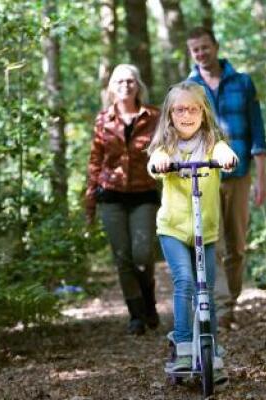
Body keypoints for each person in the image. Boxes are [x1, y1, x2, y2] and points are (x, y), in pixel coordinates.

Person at [147, 81, 237, 383]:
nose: (186, 114)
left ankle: (211, 346)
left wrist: (227, 157)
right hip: (173, 229)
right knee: (185, 282)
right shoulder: (166, 146)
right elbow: (154, 161)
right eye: (180, 109)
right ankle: (184, 344)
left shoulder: (213, 143)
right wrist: (160, 163)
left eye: (193, 108)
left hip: (206, 232)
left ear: (203, 112)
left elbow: (225, 152)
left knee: (207, 289)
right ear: (170, 114)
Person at [186, 27, 266, 330]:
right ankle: (221, 309)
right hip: (204, 177)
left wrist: (262, 178)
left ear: (216, 46)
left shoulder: (242, 82)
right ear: (191, 53)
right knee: (212, 243)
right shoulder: (189, 88)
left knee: (237, 246)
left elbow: (258, 132)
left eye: (205, 47)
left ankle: (229, 303)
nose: (201, 53)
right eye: (195, 49)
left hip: (240, 173)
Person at [85, 64, 161, 335]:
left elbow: (167, 150)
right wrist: (90, 201)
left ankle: (149, 301)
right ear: (111, 88)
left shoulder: (154, 117)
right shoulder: (103, 119)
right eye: (119, 81)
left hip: (144, 194)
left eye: (130, 81)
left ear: (138, 85)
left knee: (142, 255)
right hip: (111, 195)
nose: (125, 86)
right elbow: (95, 161)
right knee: (123, 258)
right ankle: (136, 315)